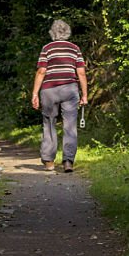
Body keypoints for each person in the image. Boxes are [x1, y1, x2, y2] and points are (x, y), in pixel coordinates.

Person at [31, 19, 88, 173]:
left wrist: (35, 93)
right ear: (67, 32)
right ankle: (68, 161)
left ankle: (49, 161)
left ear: (52, 33)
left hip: (49, 90)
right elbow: (81, 72)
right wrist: (85, 95)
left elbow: (41, 71)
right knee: (70, 125)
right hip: (70, 89)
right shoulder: (75, 49)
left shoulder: (47, 48)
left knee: (49, 124)